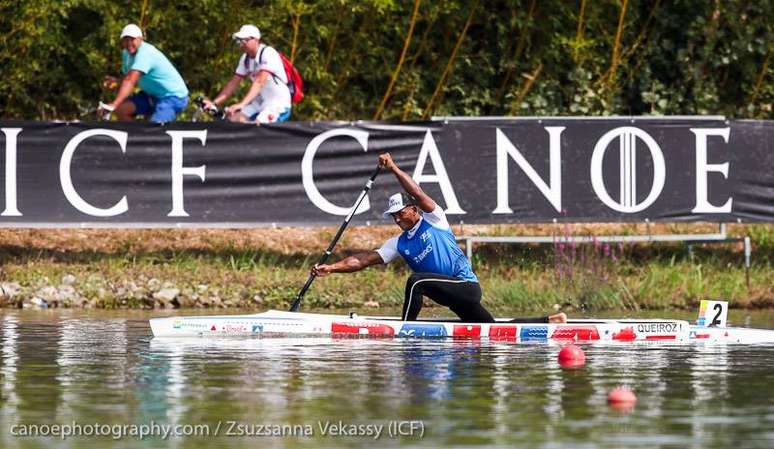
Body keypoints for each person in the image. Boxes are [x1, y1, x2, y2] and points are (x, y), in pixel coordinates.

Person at [312, 153, 568, 324]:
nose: (396, 219)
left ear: (413, 209)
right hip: (448, 295)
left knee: (415, 282)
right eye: (393, 216)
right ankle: (550, 322)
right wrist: (331, 268)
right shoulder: (399, 243)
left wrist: (393, 169)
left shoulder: (435, 219)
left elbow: (418, 191)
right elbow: (364, 260)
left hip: (465, 286)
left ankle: (406, 332)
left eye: (400, 213)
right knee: (490, 329)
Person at [98, 24, 189, 122]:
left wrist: (114, 104)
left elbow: (130, 81)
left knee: (154, 128)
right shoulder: (126, 53)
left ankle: (146, 135)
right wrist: (116, 82)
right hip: (151, 95)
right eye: (125, 40)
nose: (129, 43)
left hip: (173, 97)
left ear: (140, 39)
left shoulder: (145, 53)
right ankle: (135, 136)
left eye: (132, 39)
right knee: (121, 110)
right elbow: (127, 77)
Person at [202, 24, 291, 124]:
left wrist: (242, 104)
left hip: (277, 103)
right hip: (259, 103)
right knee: (233, 121)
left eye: (245, 40)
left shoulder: (268, 53)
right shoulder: (245, 58)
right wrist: (213, 103)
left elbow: (259, 82)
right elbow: (233, 83)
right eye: (239, 41)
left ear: (256, 40)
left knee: (258, 127)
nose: (241, 44)